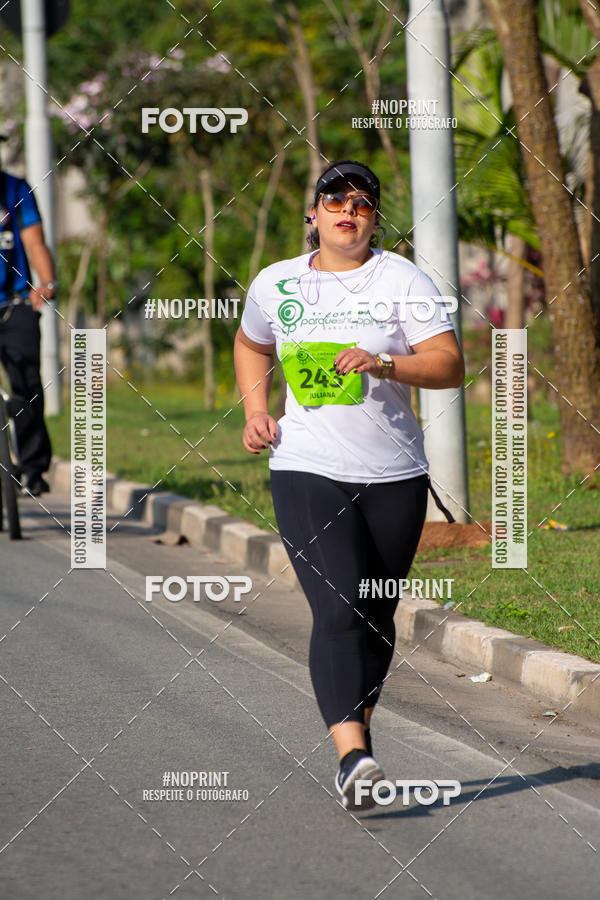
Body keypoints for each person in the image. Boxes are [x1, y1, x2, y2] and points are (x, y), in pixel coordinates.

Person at [234, 159, 464, 811]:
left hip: (395, 475)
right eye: (335, 199)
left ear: (374, 219)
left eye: (363, 202)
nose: (349, 209)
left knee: (375, 617)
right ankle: (353, 755)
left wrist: (386, 362)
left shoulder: (401, 279)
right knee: (337, 608)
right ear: (314, 214)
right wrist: (256, 410)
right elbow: (251, 345)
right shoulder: (276, 283)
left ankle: (354, 724)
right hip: (305, 468)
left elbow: (450, 364)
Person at [0, 154, 57, 497]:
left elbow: (34, 242)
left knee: (26, 384)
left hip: (15, 303)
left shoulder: (16, 189)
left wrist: (46, 282)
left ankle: (33, 469)